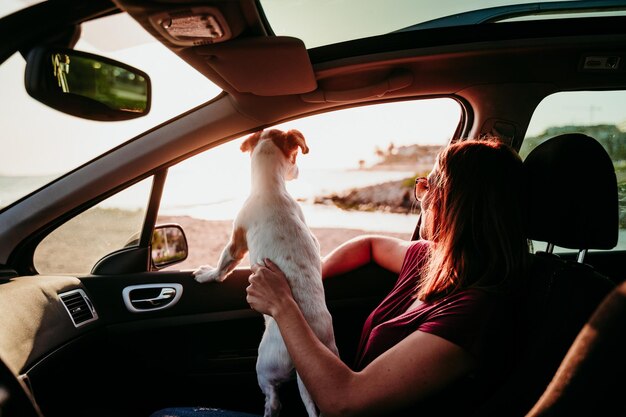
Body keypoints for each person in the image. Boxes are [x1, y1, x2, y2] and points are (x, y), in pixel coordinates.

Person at [151, 138, 530, 417]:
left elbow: (344, 402)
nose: (421, 195)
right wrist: (304, 280)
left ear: (456, 206)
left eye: (427, 186)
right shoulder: (428, 260)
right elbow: (366, 245)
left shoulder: (471, 314)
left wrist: (284, 305)